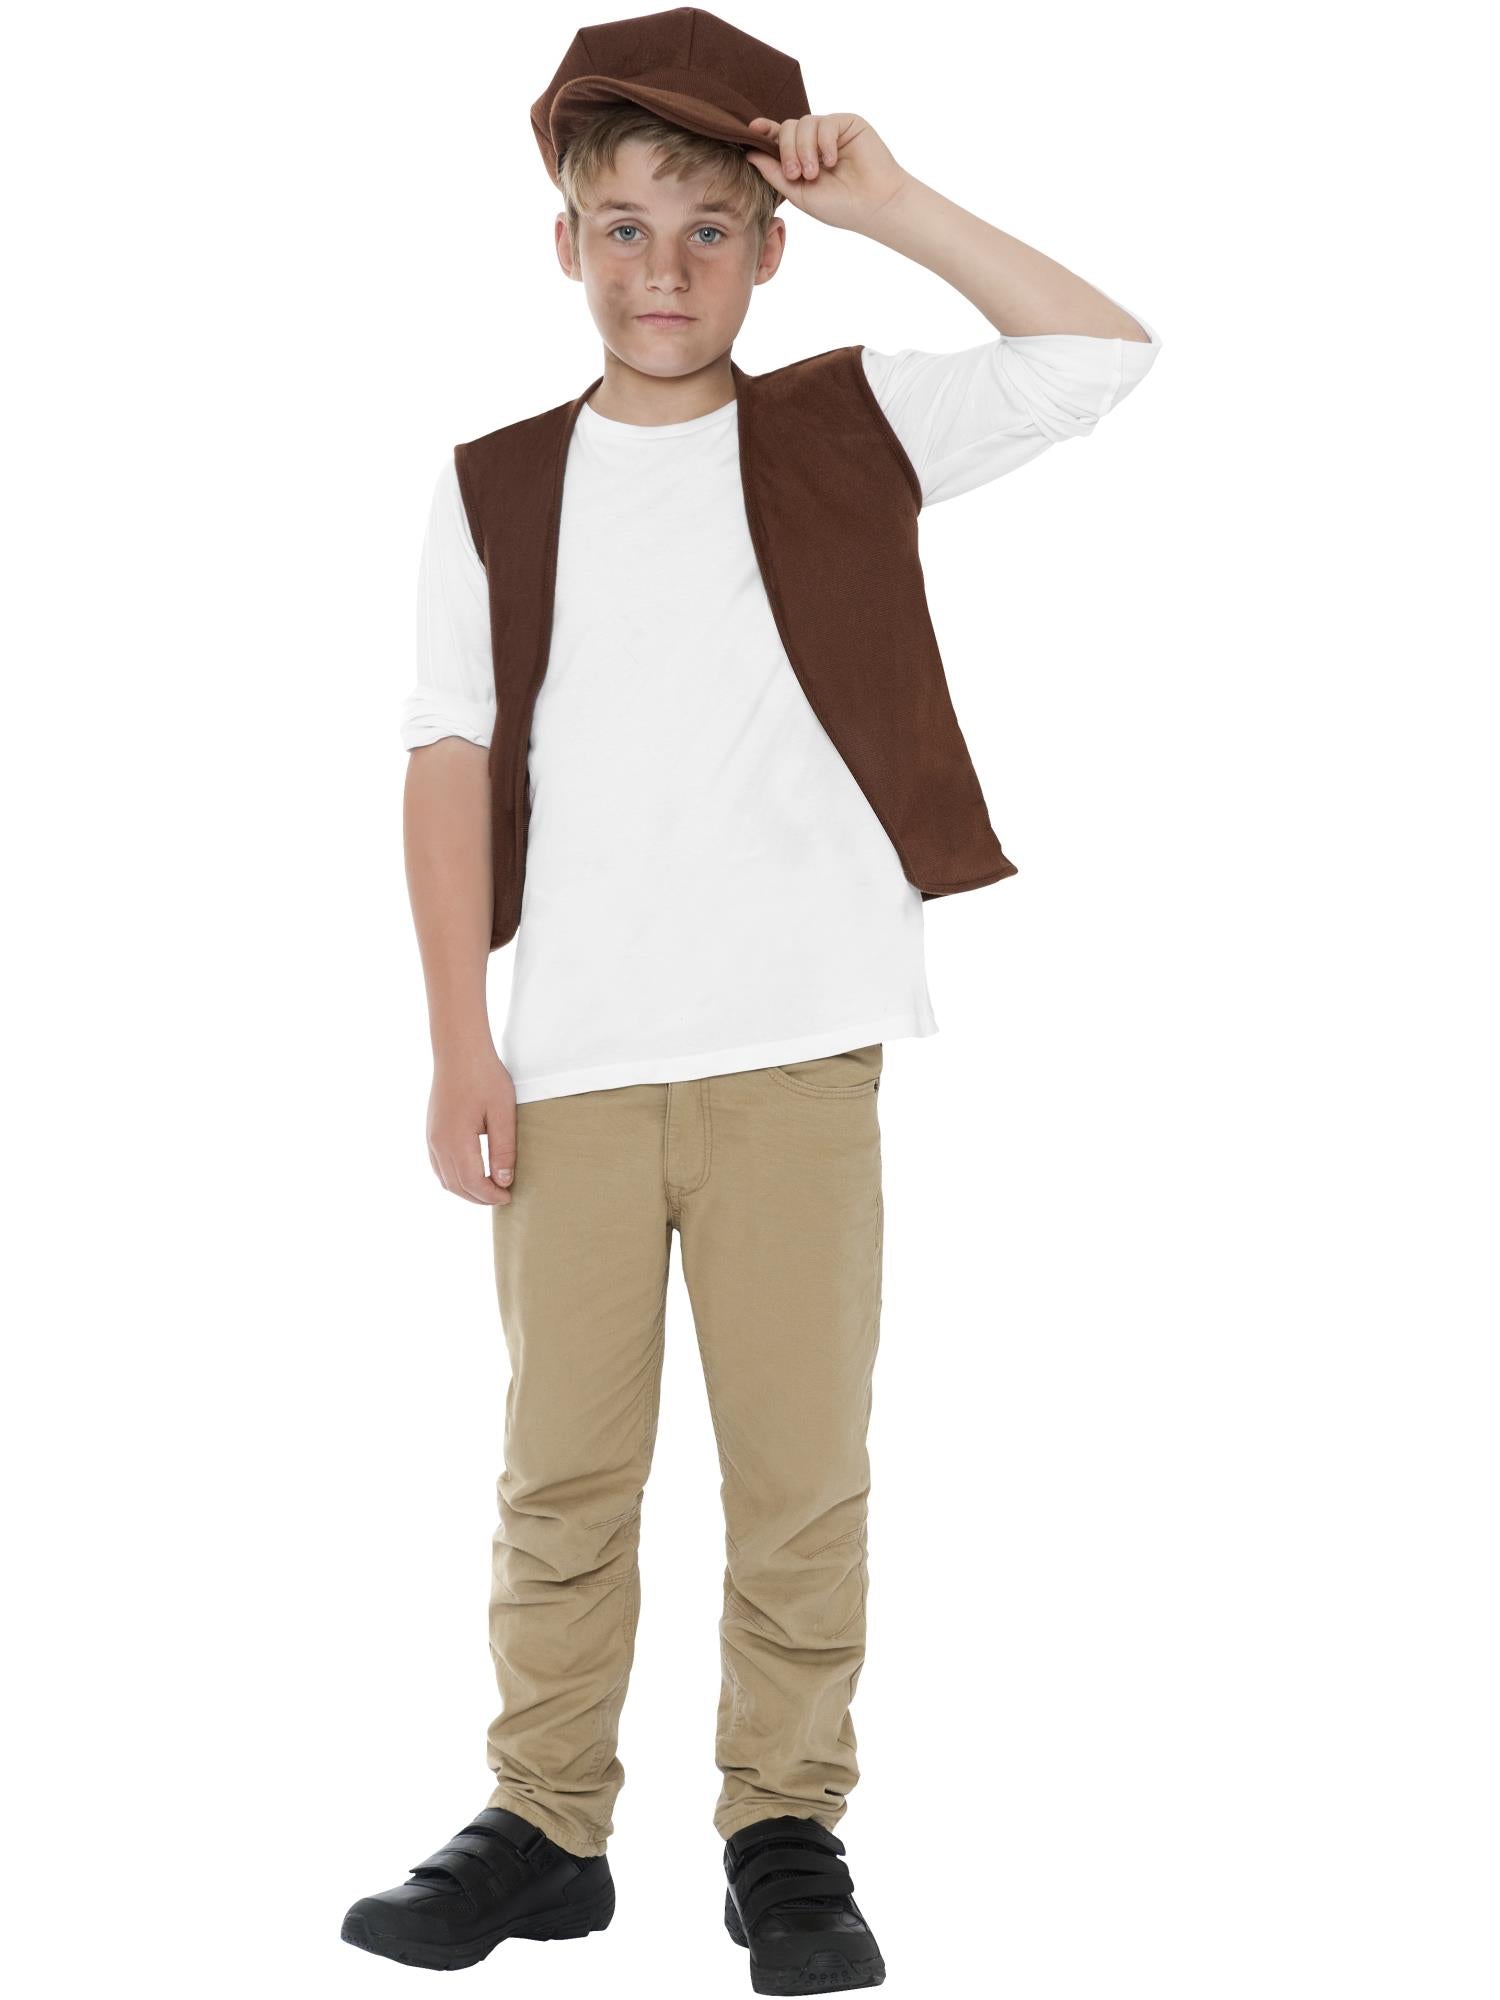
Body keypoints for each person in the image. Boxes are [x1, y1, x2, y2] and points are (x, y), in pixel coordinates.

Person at [342, 9, 1162, 1991]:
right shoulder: (495, 485)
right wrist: (457, 1039)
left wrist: (895, 202)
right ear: (563, 244)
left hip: (796, 1046)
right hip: (577, 1058)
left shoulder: (845, 425)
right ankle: (545, 1822)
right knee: (561, 1473)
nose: (665, 270)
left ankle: (785, 1821)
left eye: (710, 229)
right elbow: (449, 754)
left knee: (799, 1471)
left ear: (770, 249)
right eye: (623, 228)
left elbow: (1099, 354)